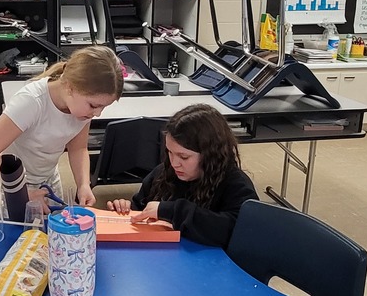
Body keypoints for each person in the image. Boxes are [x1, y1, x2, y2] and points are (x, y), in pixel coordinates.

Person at [0, 45, 123, 209]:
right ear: (70, 87)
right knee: (19, 225)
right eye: (94, 106)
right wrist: (22, 193)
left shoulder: (82, 109)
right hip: (13, 182)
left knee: (52, 223)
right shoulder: (31, 101)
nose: (98, 114)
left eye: (103, 107)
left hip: (48, 179)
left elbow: (78, 148)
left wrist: (83, 185)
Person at [107, 103, 258, 247]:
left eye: (184, 157)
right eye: (169, 152)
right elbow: (141, 207)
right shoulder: (163, 173)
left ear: (210, 155)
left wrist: (173, 211)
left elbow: (241, 231)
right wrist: (126, 210)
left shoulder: (235, 185)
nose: (174, 163)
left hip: (208, 262)